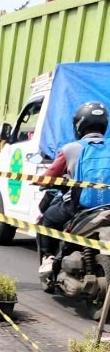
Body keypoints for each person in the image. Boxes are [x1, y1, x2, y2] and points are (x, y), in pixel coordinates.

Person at [39, 101, 110, 262]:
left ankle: (48, 260)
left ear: (79, 125)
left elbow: (47, 178)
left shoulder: (70, 148)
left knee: (47, 219)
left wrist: (40, 182)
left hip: (80, 207)